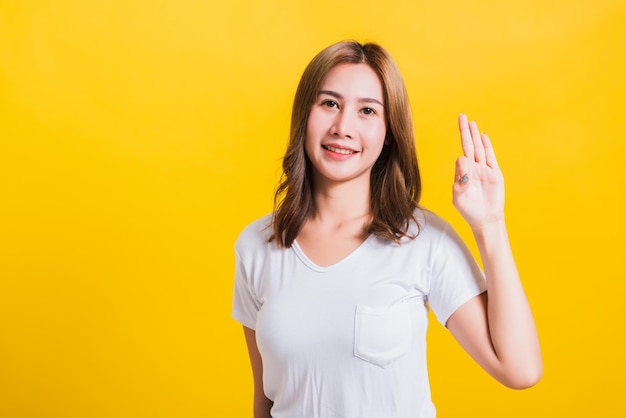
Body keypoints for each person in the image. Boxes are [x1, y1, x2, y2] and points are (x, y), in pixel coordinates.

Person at [232, 40, 542, 418]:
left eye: (367, 110)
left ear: (389, 131)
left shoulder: (424, 240)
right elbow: (265, 401)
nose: (343, 127)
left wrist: (490, 224)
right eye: (329, 103)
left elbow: (521, 369)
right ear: (304, 114)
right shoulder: (256, 245)